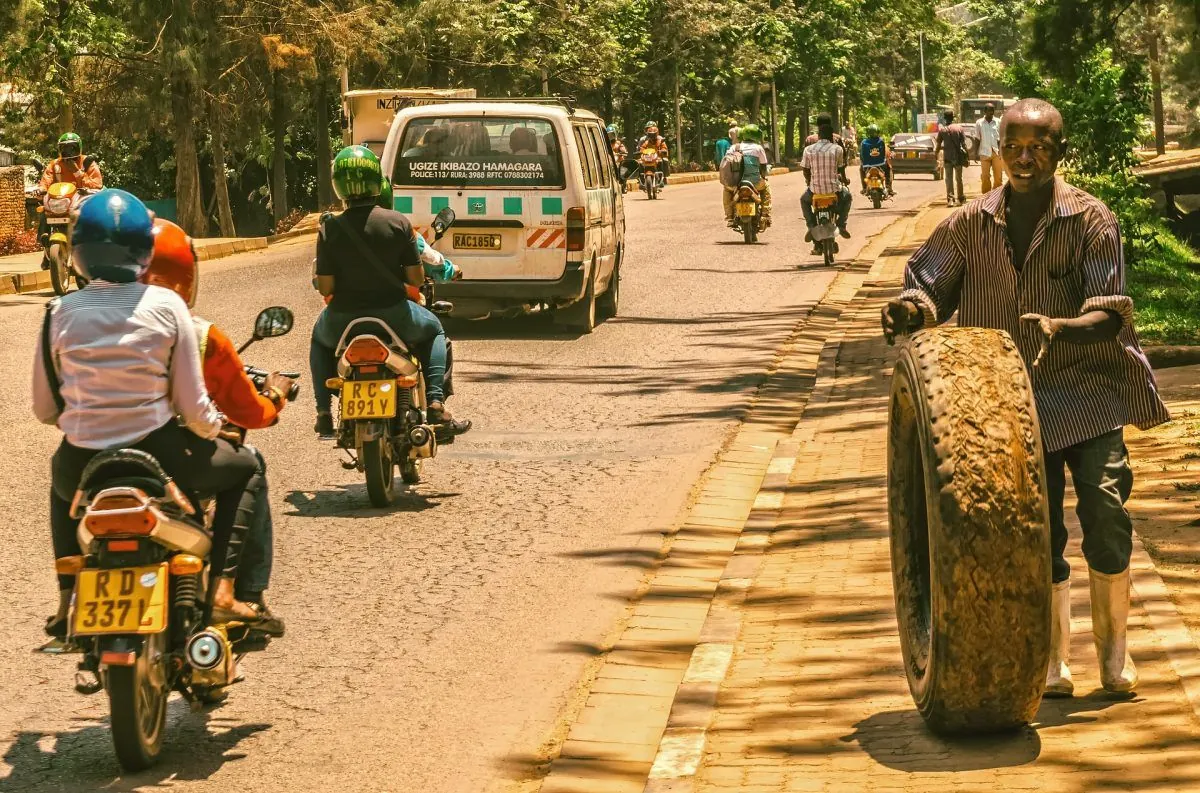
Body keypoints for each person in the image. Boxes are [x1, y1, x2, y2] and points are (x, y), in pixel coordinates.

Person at [882, 98, 1170, 697]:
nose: (1024, 158)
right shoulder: (970, 222)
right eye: (1013, 146)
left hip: (1087, 391)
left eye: (1038, 147)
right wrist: (912, 307)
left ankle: (1115, 656)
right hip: (1000, 407)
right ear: (997, 150)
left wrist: (1065, 326)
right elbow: (930, 283)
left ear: (1059, 152)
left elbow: (1112, 311)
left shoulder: (1092, 219)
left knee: (1106, 512)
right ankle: (1054, 661)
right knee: (1031, 532)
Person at [33, 190, 264, 638]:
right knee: (247, 469)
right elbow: (194, 410)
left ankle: (67, 600)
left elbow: (46, 408)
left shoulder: (58, 312)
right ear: (144, 250)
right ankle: (224, 590)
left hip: (82, 461)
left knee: (61, 482)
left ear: (77, 252)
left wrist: (88, 418)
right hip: (162, 453)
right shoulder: (167, 305)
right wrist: (221, 432)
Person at [140, 219, 291, 634]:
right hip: (175, 450)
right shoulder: (198, 332)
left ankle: (68, 598)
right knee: (249, 465)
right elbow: (244, 413)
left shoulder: (78, 317)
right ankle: (236, 593)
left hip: (97, 454)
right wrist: (275, 397)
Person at [310, 146, 470, 439]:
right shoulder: (398, 222)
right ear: (376, 180)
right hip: (396, 315)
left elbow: (327, 286)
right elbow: (415, 277)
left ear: (338, 184)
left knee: (318, 339)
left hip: (342, 320)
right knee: (435, 330)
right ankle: (435, 402)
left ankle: (323, 414)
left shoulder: (328, 228)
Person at [801, 114, 853, 254]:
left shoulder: (808, 148)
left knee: (804, 200)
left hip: (815, 189)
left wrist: (810, 182)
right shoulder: (837, 149)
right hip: (834, 189)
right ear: (831, 135)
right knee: (847, 196)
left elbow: (805, 169)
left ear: (818, 134)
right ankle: (841, 225)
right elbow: (841, 168)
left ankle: (811, 226)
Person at [721, 123, 772, 231]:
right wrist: (763, 176)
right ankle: (765, 215)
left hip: (736, 184)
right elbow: (763, 167)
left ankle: (729, 217)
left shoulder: (734, 147)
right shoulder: (758, 148)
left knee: (726, 190)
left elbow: (726, 164)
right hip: (755, 183)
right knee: (766, 189)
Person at [37, 132, 103, 192]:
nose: (68, 152)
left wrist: (77, 172)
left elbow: (97, 186)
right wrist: (41, 189)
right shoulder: (55, 164)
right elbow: (46, 181)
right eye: (64, 148)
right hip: (61, 200)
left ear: (79, 148)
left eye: (72, 149)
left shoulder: (87, 162)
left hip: (83, 201)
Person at [936, 110, 967, 206]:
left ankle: (950, 199)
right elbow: (964, 144)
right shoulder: (959, 128)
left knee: (948, 179)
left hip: (948, 158)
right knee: (959, 179)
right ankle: (960, 199)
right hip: (958, 157)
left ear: (945, 118)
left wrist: (935, 154)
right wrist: (967, 157)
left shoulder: (942, 130)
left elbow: (938, 144)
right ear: (953, 117)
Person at [859, 123, 894, 196]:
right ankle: (888, 187)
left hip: (867, 166)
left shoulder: (864, 142)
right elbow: (884, 154)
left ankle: (864, 188)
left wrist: (864, 162)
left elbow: (861, 156)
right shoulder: (881, 141)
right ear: (878, 132)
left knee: (861, 169)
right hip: (881, 165)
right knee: (889, 168)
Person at [976, 102, 1004, 193]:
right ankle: (986, 197)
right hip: (984, 152)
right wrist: (976, 153)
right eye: (989, 110)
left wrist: (1001, 152)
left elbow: (1001, 138)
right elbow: (977, 138)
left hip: (996, 153)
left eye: (993, 110)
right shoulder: (979, 123)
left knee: (998, 177)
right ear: (985, 111)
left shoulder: (998, 122)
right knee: (985, 177)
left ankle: (996, 197)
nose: (991, 112)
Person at [636, 121, 670, 187]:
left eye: (653, 133)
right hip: (647, 157)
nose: (651, 134)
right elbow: (641, 148)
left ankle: (663, 178)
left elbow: (664, 148)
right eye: (649, 130)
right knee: (639, 163)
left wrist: (662, 151)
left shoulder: (660, 139)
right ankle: (641, 180)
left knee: (664, 160)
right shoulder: (645, 141)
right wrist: (640, 152)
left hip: (657, 157)